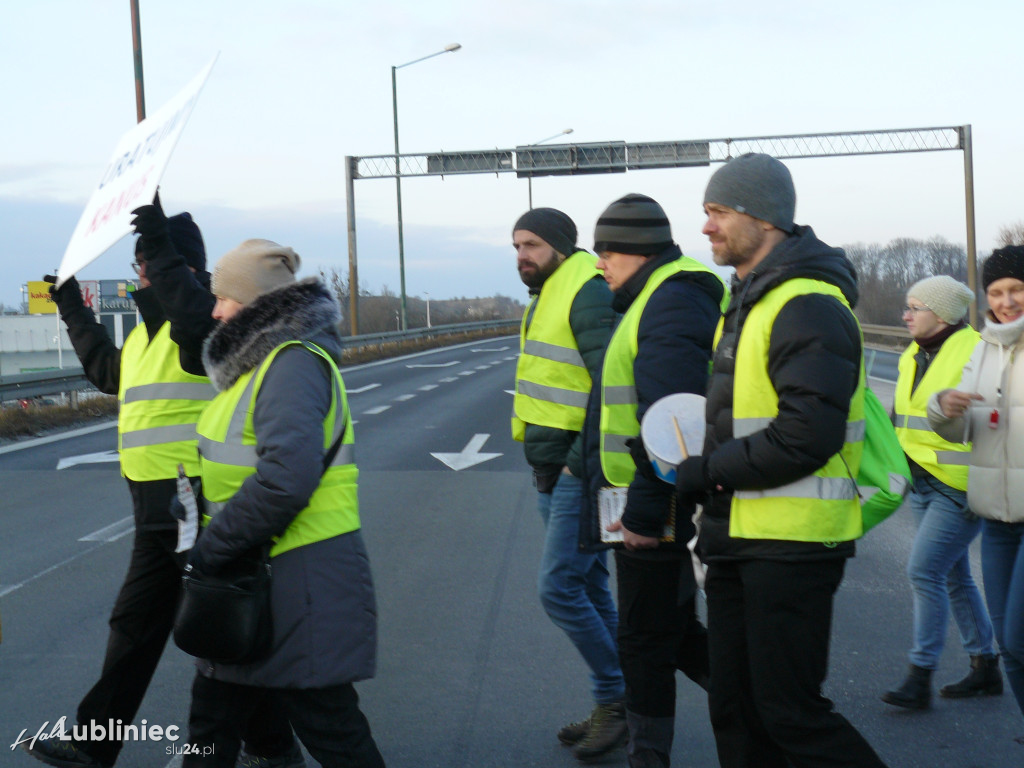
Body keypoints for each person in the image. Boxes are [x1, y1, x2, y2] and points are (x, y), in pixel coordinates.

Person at [23, 202, 302, 768]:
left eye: (146, 260)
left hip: (195, 500)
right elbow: (108, 374)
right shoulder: (149, 335)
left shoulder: (203, 324)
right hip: (155, 505)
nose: (139, 271)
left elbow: (193, 316)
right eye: (139, 261)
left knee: (221, 627)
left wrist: (159, 241)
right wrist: (72, 305)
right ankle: (94, 745)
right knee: (139, 628)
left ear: (182, 266)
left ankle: (274, 746)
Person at [674, 153, 889, 768]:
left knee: (790, 715)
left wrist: (708, 471)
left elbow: (806, 434)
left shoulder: (806, 303)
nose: (708, 227)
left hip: (790, 546)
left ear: (761, 217)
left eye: (717, 212)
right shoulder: (749, 299)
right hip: (741, 534)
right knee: (737, 710)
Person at [180, 239, 384, 768]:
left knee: (330, 726)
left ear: (257, 305)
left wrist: (211, 548)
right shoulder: (255, 365)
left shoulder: (291, 364)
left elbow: (285, 480)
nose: (216, 309)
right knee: (212, 725)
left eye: (225, 298)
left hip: (299, 580)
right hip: (255, 578)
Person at [578, 194, 724, 768]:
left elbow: (673, 418)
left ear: (636, 251)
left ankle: (650, 756)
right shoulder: (661, 296)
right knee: (670, 630)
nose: (600, 265)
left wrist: (644, 515)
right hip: (650, 495)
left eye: (606, 252)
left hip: (653, 504)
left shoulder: (673, 300)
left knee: (643, 638)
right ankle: (767, 704)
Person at [510, 208, 625, 761]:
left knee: (558, 588)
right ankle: (624, 701)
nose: (521, 256)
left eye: (530, 244)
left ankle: (616, 700)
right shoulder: (551, 289)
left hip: (579, 470)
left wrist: (581, 461)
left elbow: (614, 380)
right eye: (516, 246)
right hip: (552, 469)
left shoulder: (585, 289)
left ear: (557, 244)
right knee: (591, 587)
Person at [881, 275, 999, 710]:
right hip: (922, 479)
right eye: (906, 307)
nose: (906, 316)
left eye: (916, 308)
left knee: (923, 571)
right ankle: (985, 665)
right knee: (953, 574)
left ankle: (919, 675)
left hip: (961, 485)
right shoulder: (914, 352)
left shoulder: (976, 351)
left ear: (945, 315)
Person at [930, 245, 1024, 729]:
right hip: (997, 517)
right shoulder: (985, 346)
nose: (1006, 301)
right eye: (996, 292)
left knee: (1021, 635)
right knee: (1009, 643)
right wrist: (943, 408)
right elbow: (960, 429)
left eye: (1016, 290)